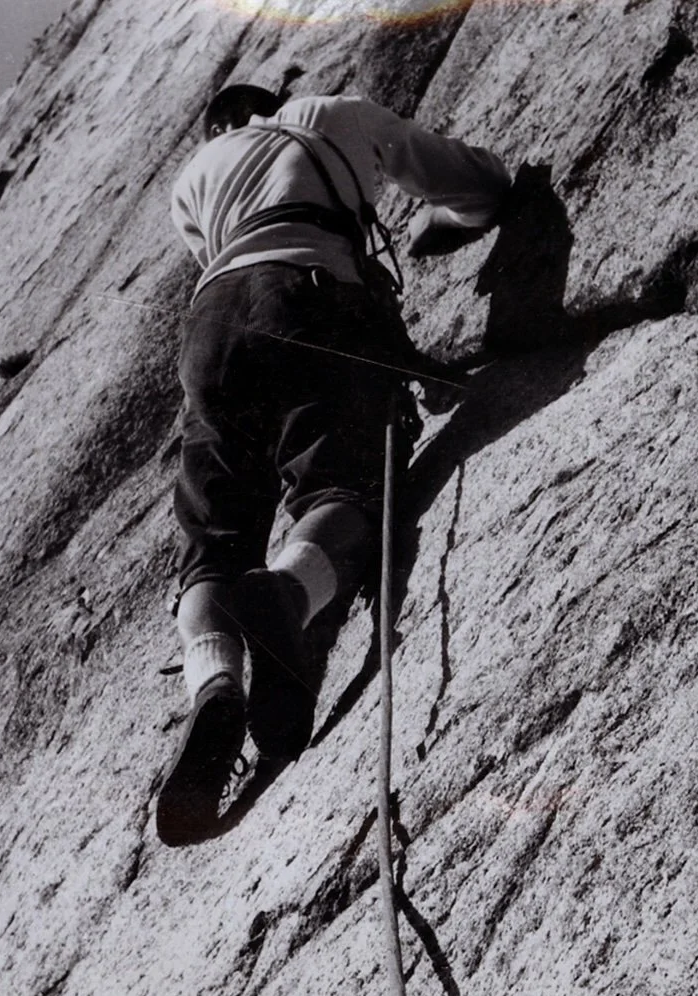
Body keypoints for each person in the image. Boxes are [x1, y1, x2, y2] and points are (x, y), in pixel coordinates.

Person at [156, 83, 510, 845]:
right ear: (274, 101)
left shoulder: (193, 178)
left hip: (208, 330)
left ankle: (215, 680)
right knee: (342, 484)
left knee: (213, 542)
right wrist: (449, 222)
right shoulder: (324, 115)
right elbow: (475, 184)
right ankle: (289, 591)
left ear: (216, 128)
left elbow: (225, 260)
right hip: (305, 292)